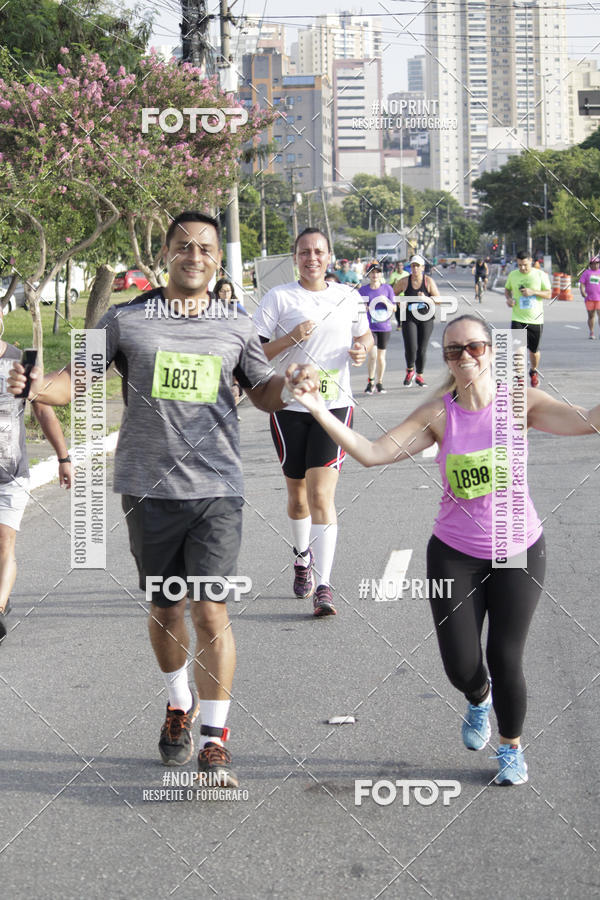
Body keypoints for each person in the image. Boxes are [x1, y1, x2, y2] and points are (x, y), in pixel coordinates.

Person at [8, 211, 316, 786]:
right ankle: (180, 702)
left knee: (210, 607)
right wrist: (34, 387)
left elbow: (264, 393)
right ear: (165, 257)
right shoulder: (125, 319)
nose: (194, 255)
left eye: (204, 247)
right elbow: (76, 379)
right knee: (167, 607)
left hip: (217, 489)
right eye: (182, 246)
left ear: (217, 260)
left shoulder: (236, 324)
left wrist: (292, 384)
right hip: (148, 488)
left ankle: (215, 738)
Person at [288, 313, 600, 786]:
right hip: (454, 551)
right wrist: (316, 409)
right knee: (461, 665)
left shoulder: (520, 402)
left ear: (491, 350)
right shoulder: (439, 413)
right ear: (447, 359)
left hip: (517, 546)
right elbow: (373, 453)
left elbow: (589, 423)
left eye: (473, 347)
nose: (465, 357)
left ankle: (511, 748)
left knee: (505, 655)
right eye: (454, 350)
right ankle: (478, 699)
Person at [253, 227, 372, 617]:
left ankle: (324, 584)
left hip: (334, 407)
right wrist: (289, 337)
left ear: (330, 257)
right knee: (298, 495)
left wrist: (361, 350)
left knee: (322, 495)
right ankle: (301, 557)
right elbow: (254, 353)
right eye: (304, 252)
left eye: (318, 252)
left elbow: (366, 337)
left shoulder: (347, 296)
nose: (312, 258)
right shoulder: (279, 297)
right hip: (288, 409)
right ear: (295, 258)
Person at [0, 304, 72, 642]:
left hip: (11, 473)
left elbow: (44, 412)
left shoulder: (20, 363)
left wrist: (63, 457)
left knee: (5, 543)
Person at [504, 250, 551, 387]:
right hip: (518, 318)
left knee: (534, 351)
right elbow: (507, 290)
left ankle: (533, 371)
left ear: (531, 260)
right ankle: (519, 379)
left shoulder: (540, 275)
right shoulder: (513, 275)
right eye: (519, 265)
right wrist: (508, 299)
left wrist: (533, 292)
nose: (522, 268)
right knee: (518, 349)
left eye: (525, 265)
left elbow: (548, 294)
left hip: (535, 320)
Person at [393, 254, 440, 387]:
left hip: (426, 318)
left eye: (417, 266)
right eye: (413, 266)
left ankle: (420, 375)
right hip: (409, 317)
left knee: (422, 348)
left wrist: (426, 299)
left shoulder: (428, 281)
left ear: (423, 268)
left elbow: (439, 299)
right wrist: (398, 303)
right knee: (411, 347)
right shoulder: (404, 281)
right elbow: (392, 294)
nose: (415, 269)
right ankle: (410, 370)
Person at [359, 263, 398, 394]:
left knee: (381, 357)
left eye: (377, 272)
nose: (375, 275)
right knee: (373, 355)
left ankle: (380, 382)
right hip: (370, 327)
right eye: (372, 272)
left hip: (384, 327)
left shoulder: (387, 289)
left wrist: (386, 303)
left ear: (381, 274)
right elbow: (358, 307)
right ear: (368, 274)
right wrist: (363, 308)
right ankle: (370, 382)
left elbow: (394, 307)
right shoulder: (363, 290)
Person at [578, 256, 600, 339]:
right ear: (590, 265)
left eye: (597, 263)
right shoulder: (586, 273)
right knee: (591, 316)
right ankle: (591, 332)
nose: (595, 265)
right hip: (589, 298)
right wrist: (582, 291)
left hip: (599, 298)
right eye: (593, 264)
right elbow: (582, 284)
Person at [388, 261, 406, 330]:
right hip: (396, 295)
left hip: (405, 295)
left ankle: (403, 324)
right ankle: (399, 324)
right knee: (397, 311)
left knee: (404, 310)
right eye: (398, 266)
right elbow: (390, 286)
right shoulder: (393, 275)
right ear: (396, 267)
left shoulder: (406, 274)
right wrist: (393, 282)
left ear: (402, 266)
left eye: (401, 265)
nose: (399, 267)